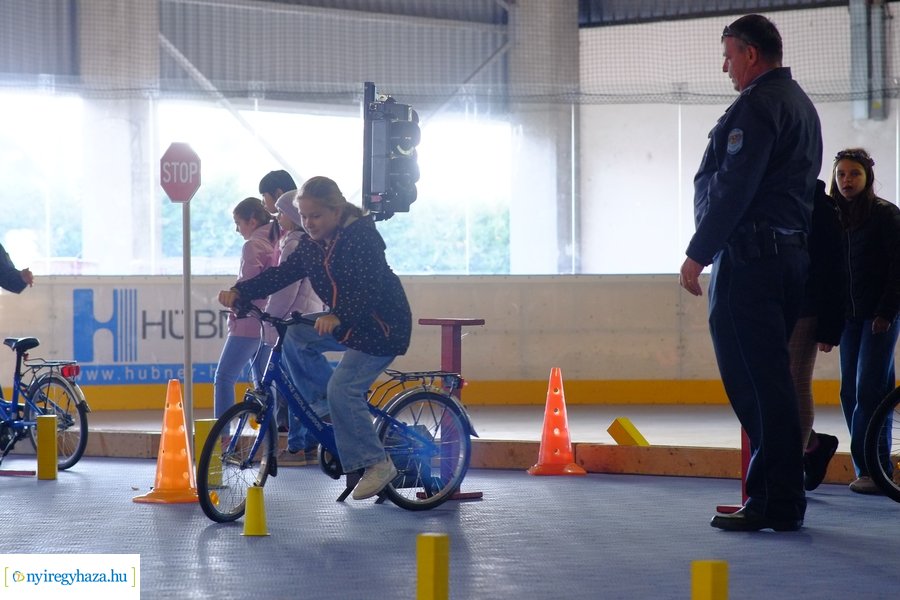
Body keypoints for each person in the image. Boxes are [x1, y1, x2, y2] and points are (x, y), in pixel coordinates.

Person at [679, 14, 822, 531]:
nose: (725, 66)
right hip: (786, 259)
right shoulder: (801, 105)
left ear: (751, 55)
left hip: (753, 262)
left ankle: (777, 500)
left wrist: (700, 251)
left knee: (757, 385)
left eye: (729, 54)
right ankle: (775, 495)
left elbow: (734, 187)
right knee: (770, 384)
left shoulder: (758, 106)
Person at [218, 176, 412, 500]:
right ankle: (326, 411)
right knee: (294, 333)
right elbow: (281, 275)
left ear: (337, 212)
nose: (309, 224)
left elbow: (369, 289)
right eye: (304, 217)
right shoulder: (311, 245)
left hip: (381, 327)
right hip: (347, 323)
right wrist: (241, 291)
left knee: (343, 388)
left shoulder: (361, 238)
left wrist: (338, 315)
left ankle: (377, 463)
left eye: (316, 216)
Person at [830, 148, 900, 495]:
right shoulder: (831, 217)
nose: (847, 181)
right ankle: (870, 467)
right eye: (841, 174)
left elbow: (898, 268)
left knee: (870, 391)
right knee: (850, 392)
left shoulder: (886, 215)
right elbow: (828, 273)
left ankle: (875, 470)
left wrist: (886, 312)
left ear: (867, 178)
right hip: (848, 319)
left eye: (854, 174)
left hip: (879, 317)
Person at [264, 190, 329, 460]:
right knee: (299, 383)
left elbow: (285, 289)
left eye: (281, 213)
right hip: (311, 315)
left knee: (292, 388)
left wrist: (270, 319)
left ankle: (297, 446)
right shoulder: (311, 243)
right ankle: (310, 441)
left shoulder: (293, 244)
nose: (278, 218)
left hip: (293, 320)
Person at [789, 180, 844, 492]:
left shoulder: (820, 207)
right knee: (780, 386)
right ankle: (814, 445)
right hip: (778, 305)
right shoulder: (775, 195)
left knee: (795, 381)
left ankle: (790, 467)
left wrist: (829, 326)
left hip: (807, 307)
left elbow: (832, 269)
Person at [213, 198, 276, 420]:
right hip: (268, 323)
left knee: (224, 377)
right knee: (263, 383)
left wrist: (233, 297)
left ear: (252, 220)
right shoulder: (278, 242)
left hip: (249, 322)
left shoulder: (252, 246)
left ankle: (223, 438)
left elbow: (249, 286)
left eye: (238, 222)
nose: (237, 229)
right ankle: (271, 434)